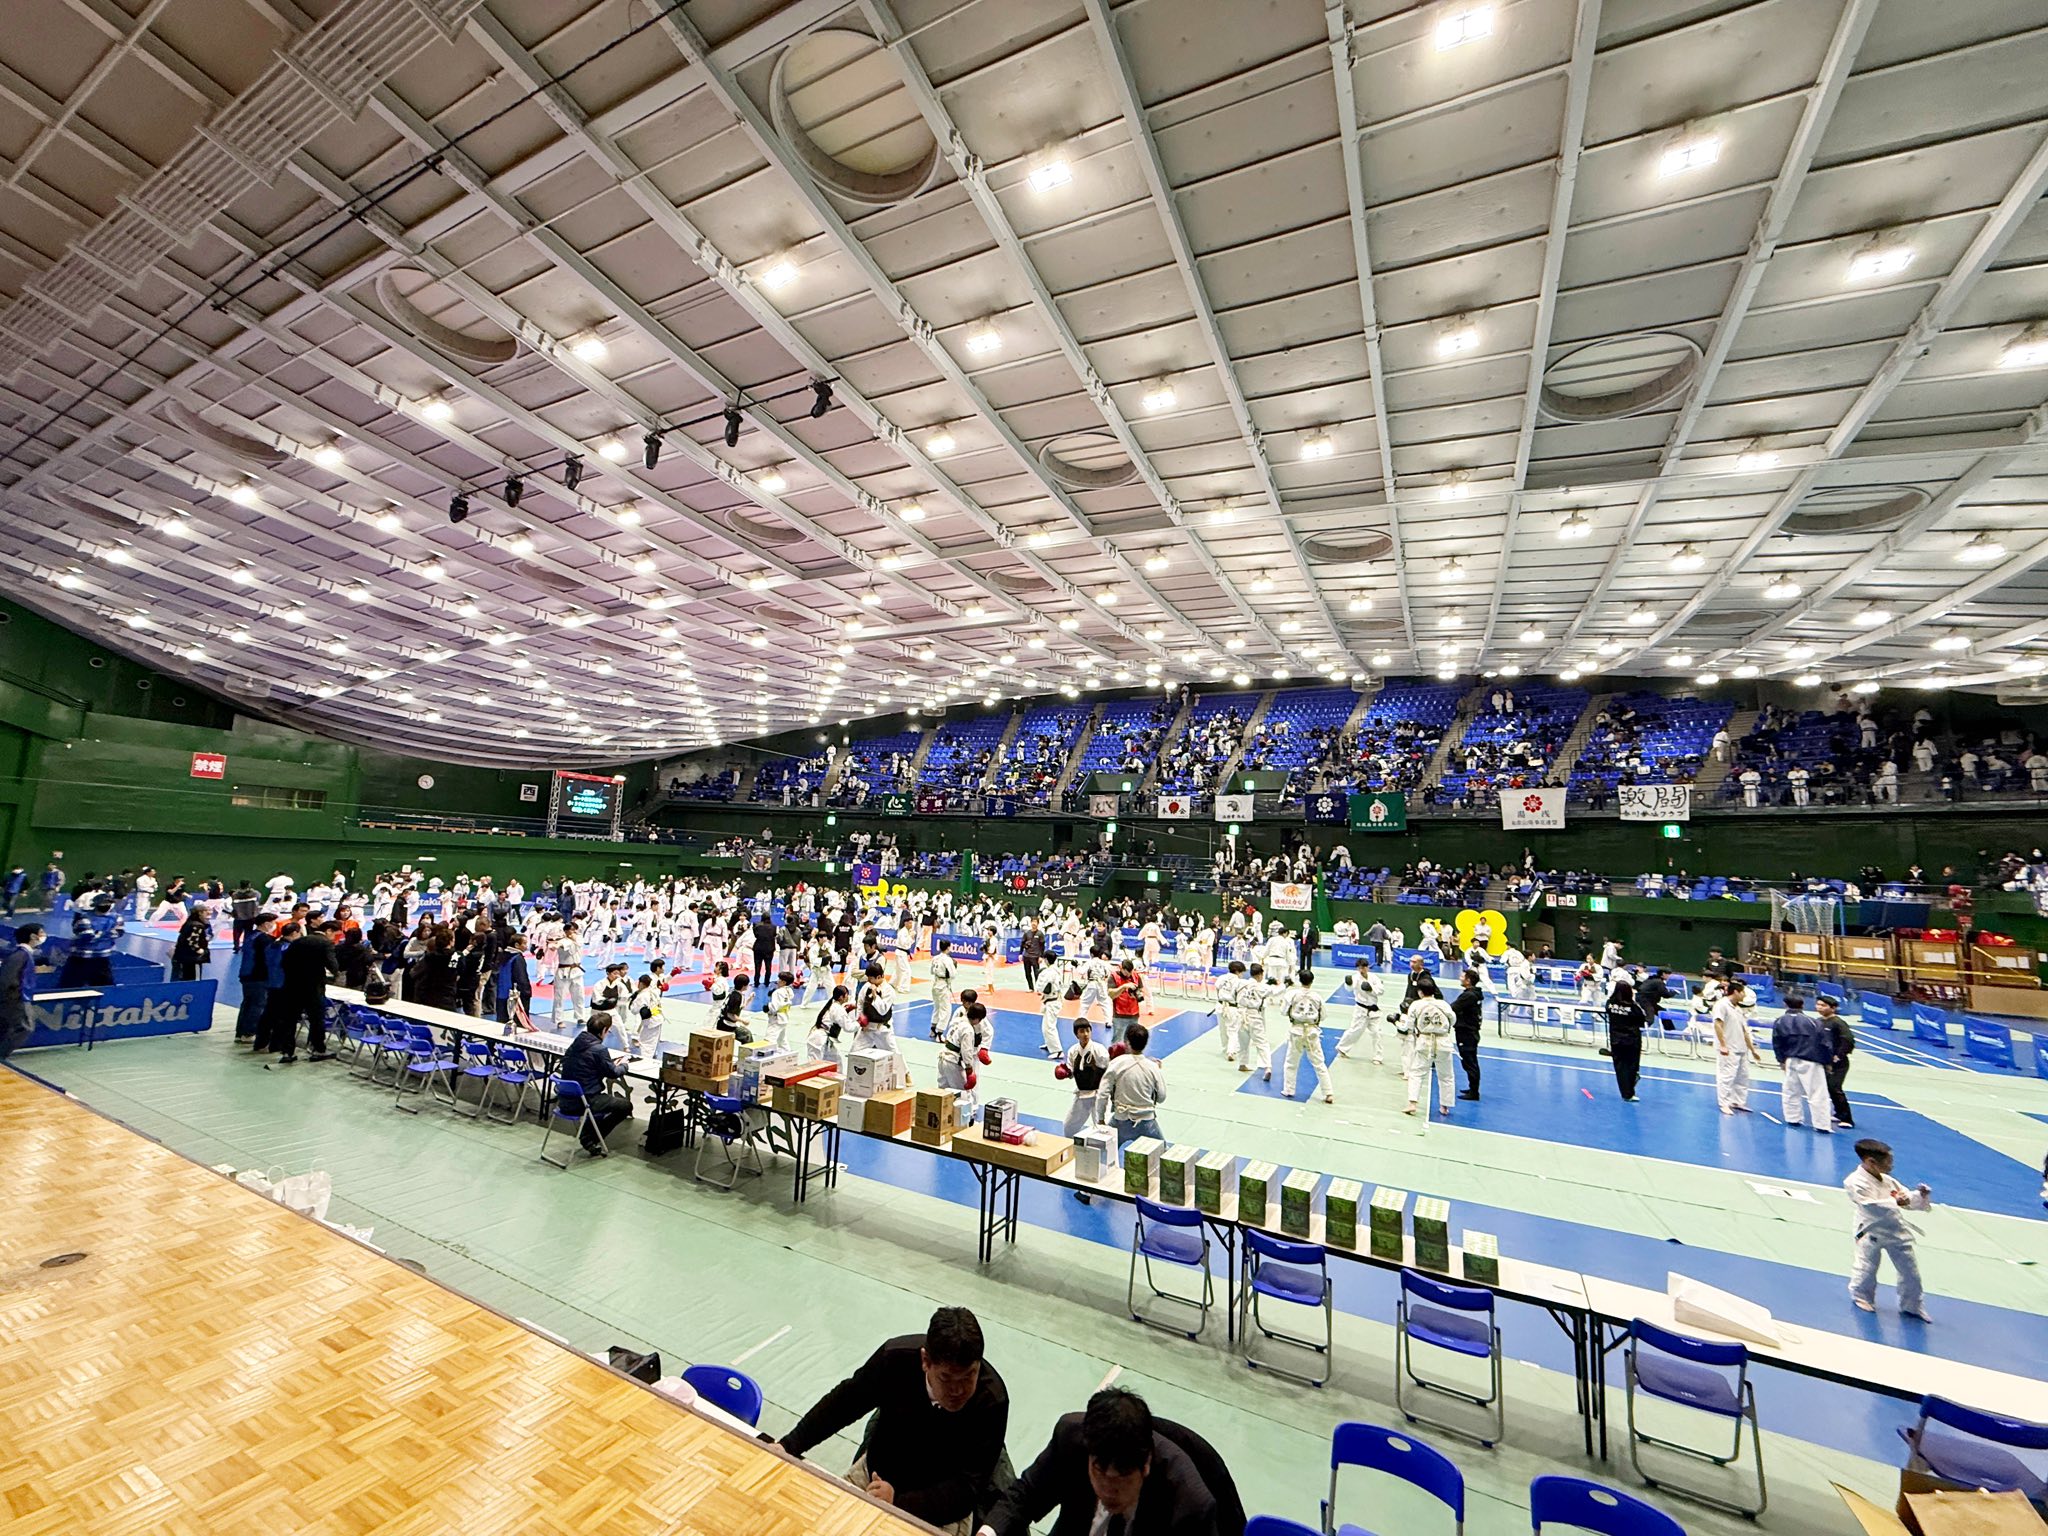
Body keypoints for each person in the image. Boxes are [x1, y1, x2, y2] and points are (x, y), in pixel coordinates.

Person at [778, 1307, 1009, 1535]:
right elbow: (843, 1404)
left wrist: (898, 1502)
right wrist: (788, 1445)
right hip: (875, 1478)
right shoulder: (895, 1359)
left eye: (969, 1376)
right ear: (925, 1361)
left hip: (939, 1509)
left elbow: (968, 1489)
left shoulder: (991, 1401)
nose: (958, 1390)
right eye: (946, 1378)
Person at [978, 1387, 1218, 1536]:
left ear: (1145, 1464)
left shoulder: (1189, 1507)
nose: (1108, 1490)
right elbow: (1025, 1496)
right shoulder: (1071, 1440)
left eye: (1122, 1478)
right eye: (1099, 1472)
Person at [1846, 1138, 1933, 1321]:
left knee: (1910, 1272)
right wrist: (1896, 1201)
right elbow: (1869, 1204)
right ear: (1871, 1161)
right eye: (1888, 1161)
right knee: (1867, 1267)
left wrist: (1919, 1195)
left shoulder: (1888, 1180)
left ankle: (1912, 1305)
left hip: (1894, 1229)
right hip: (1870, 1231)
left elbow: (1905, 1199)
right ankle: (1861, 1295)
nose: (1891, 1165)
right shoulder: (1854, 1182)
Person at [559, 1011, 632, 1152]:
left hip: (565, 1099)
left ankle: (588, 1134)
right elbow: (613, 1073)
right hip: (584, 1101)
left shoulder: (577, 1042)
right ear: (604, 1031)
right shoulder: (599, 1050)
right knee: (625, 1106)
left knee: (604, 1100)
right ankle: (590, 1137)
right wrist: (624, 1065)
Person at [272, 919, 339, 1064]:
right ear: (328, 931)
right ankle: (318, 1049)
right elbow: (333, 965)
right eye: (334, 934)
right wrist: (334, 974)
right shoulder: (325, 943)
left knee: (290, 1019)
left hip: (292, 985)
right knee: (316, 1019)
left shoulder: (298, 941)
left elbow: (285, 962)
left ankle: (287, 1052)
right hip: (313, 986)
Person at [1771, 992, 1834, 1132]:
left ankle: (1792, 1118)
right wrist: (1828, 1062)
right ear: (1803, 1005)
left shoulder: (1780, 1021)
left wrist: (1781, 1060)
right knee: (1817, 1093)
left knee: (1790, 1090)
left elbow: (1777, 1043)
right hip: (1811, 1060)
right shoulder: (1813, 1022)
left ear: (1785, 1005)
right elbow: (1825, 1043)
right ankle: (1822, 1125)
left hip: (1790, 1060)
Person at [1097, 1021, 1166, 1146]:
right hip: (1147, 1121)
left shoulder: (1116, 1064)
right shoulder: (1153, 1067)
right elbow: (1161, 1097)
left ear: (1127, 1042)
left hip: (1121, 1120)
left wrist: (1101, 1119)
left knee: (1104, 1151)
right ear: (1146, 1043)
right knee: (1163, 1152)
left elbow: (1102, 1094)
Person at [1400, 975, 1456, 1118]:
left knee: (1416, 1073)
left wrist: (1398, 1023)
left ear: (1420, 992)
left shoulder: (1416, 1005)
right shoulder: (1444, 1004)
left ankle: (1412, 1103)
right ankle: (1445, 1106)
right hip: (1443, 1041)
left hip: (1424, 1041)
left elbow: (1408, 1026)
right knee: (1446, 1076)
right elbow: (1453, 1020)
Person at [1281, 967, 1334, 1104]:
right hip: (1312, 1032)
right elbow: (1323, 1016)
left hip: (1297, 1030)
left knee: (1291, 1063)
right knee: (1319, 1063)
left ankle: (1289, 1089)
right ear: (1312, 981)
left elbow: (1283, 1011)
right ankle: (1328, 1093)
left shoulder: (1292, 995)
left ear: (1300, 980)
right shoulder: (1317, 997)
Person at [1712, 978, 1761, 1115]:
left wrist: (1752, 1050)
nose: (1744, 995)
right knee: (1727, 1076)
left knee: (1742, 1077)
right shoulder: (1721, 1005)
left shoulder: (1738, 1009)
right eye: (1743, 992)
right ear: (1735, 992)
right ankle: (1724, 1103)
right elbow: (1718, 1024)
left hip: (1741, 1047)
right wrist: (1723, 1045)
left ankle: (1738, 1101)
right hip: (1729, 1048)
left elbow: (1744, 1031)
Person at [1057, 1017, 1109, 1136]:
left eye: (1087, 1031)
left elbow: (1108, 1072)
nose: (1085, 1034)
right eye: (1082, 1031)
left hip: (1098, 1095)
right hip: (1082, 1094)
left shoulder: (1099, 1049)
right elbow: (1071, 1071)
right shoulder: (1073, 1051)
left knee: (1103, 1130)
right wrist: (1066, 1073)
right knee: (1069, 1127)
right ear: (1076, 1034)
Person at [59, 892, 122, 987]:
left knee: (103, 985)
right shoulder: (85, 918)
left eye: (108, 904)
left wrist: (97, 934)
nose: (106, 906)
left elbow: (119, 932)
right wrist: (106, 934)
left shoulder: (116, 918)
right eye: (103, 904)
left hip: (102, 957)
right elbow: (87, 936)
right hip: (81, 957)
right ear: (96, 905)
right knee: (72, 984)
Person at [0, 922, 44, 1060]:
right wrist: (13, 994)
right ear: (33, 936)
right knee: (25, 1027)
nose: (43, 935)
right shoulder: (20, 955)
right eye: (41, 932)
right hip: (16, 998)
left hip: (17, 996)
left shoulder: (25, 954)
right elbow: (6, 978)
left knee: (6, 1028)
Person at [1606, 977, 1647, 1102]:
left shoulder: (1609, 1004)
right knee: (1632, 1066)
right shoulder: (1633, 1007)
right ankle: (1631, 1085)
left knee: (1620, 1067)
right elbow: (1641, 1020)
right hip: (1632, 1040)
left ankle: (1626, 1093)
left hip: (1616, 1039)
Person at [1335, 956, 1383, 1064]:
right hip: (1361, 1009)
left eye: (1363, 968)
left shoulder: (1374, 977)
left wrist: (1371, 989)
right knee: (1355, 1030)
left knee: (1376, 1033)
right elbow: (1349, 989)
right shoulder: (1355, 978)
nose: (1362, 970)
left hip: (1373, 1010)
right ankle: (1342, 1048)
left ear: (1368, 967)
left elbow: (1381, 990)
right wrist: (1348, 983)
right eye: (1360, 968)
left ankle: (1378, 1057)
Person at [1819, 994, 1856, 1129]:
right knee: (1828, 1088)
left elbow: (1848, 1040)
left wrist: (1839, 1055)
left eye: (1823, 1005)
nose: (1819, 1008)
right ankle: (1839, 1113)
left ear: (1833, 1008)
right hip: (1824, 1061)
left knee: (1835, 1087)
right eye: (1818, 1005)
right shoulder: (1818, 1021)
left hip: (1839, 1063)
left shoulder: (1838, 1023)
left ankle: (1847, 1119)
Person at [1451, 966, 1484, 1101]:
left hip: (1466, 1032)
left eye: (1462, 977)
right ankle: (1472, 1088)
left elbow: (1453, 1008)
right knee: (1470, 1061)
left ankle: (1474, 1092)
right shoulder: (1474, 994)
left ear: (1468, 980)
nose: (1460, 978)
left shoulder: (1468, 996)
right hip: (1470, 1031)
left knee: (1469, 1062)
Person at [169, 904, 212, 982]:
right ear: (200, 913)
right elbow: (192, 941)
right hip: (192, 958)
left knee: (180, 977)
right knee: (194, 980)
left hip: (182, 955)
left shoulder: (189, 922)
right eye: (206, 911)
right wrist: (200, 951)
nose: (208, 913)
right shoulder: (197, 925)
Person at [1109, 958, 1146, 1047]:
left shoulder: (1136, 976)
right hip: (1119, 1015)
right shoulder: (1114, 976)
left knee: (1133, 1042)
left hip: (1134, 1014)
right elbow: (1111, 994)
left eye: (1130, 972)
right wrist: (1123, 987)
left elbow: (1141, 991)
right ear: (1121, 968)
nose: (1128, 975)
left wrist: (1137, 994)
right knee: (1117, 1042)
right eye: (1126, 973)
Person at [1215, 960, 1246, 1063]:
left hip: (1220, 1006)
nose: (1242, 975)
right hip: (1232, 1007)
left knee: (1222, 1030)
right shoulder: (1239, 982)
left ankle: (1225, 1049)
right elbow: (1240, 997)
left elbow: (1217, 988)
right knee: (1233, 1031)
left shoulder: (1221, 978)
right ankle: (1231, 1052)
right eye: (1241, 972)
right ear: (1237, 971)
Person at [931, 937, 959, 1042]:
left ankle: (933, 1029)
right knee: (946, 1010)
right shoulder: (947, 960)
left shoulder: (935, 958)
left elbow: (931, 971)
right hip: (943, 985)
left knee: (937, 1007)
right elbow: (953, 974)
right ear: (948, 948)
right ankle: (939, 1033)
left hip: (935, 984)